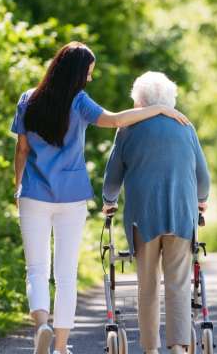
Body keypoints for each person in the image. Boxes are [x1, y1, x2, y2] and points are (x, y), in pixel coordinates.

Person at [11, 43, 190, 354]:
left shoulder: (29, 99)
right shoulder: (79, 102)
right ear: (77, 74)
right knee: (66, 274)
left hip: (34, 195)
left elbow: (22, 150)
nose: (89, 80)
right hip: (71, 197)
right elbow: (117, 120)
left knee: (36, 269)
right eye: (88, 74)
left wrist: (18, 187)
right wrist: (162, 109)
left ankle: (41, 325)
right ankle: (61, 346)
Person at [101, 71, 210, 354]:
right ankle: (177, 346)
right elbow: (203, 176)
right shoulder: (186, 126)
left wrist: (108, 201)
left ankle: (150, 349)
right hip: (181, 215)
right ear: (169, 99)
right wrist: (202, 200)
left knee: (147, 285)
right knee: (178, 283)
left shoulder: (127, 129)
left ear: (140, 101)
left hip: (143, 217)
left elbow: (113, 176)